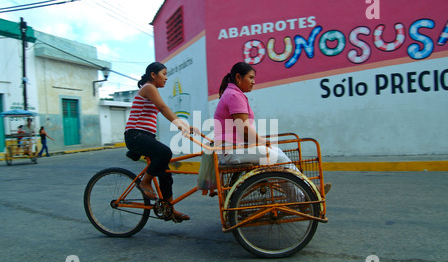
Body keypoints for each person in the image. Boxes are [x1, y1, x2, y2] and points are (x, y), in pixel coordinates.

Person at [214, 62, 331, 194]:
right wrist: (262, 142)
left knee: (277, 154)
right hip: (232, 151)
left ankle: (304, 193)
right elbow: (245, 129)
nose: (253, 82)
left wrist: (262, 142)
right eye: (250, 78)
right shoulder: (234, 95)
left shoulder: (233, 94)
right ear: (238, 78)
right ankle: (307, 192)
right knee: (277, 157)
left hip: (234, 148)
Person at [124, 62, 197, 222]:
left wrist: (185, 126)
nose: (166, 77)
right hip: (136, 135)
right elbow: (163, 108)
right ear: (153, 74)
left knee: (165, 173)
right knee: (165, 153)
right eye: (164, 74)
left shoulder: (151, 90)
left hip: (145, 136)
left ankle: (169, 209)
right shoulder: (149, 88)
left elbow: (165, 109)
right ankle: (145, 182)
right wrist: (180, 126)